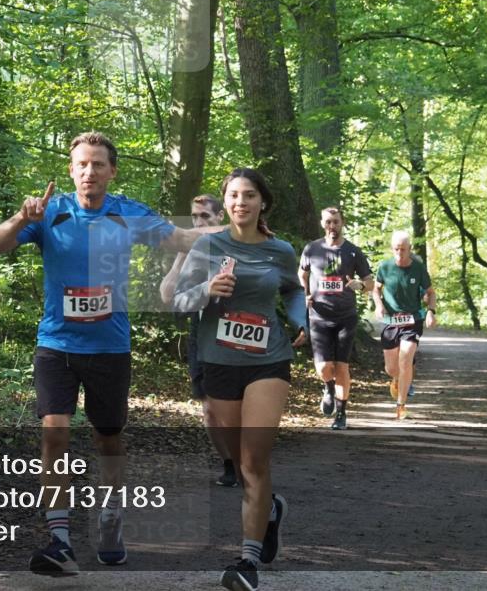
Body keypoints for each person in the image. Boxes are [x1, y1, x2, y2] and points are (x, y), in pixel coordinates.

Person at [0, 131, 207, 575]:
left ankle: (110, 518)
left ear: (111, 171)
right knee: (55, 434)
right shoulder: (50, 212)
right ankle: (60, 540)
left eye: (98, 164)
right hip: (56, 344)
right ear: (72, 170)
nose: (89, 172)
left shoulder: (128, 213)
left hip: (109, 346)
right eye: (82, 164)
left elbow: (183, 239)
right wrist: (19, 217)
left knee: (108, 439)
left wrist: (241, 231)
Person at [172, 168, 307, 591]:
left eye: (249, 195)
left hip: (268, 359)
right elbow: (178, 301)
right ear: (225, 202)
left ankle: (247, 561)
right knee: (234, 455)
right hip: (219, 360)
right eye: (233, 195)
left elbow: (293, 290)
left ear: (262, 202)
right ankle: (269, 511)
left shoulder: (281, 250)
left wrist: (302, 320)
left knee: (253, 460)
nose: (241, 202)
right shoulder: (208, 246)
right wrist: (208, 289)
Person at [159, 194, 237, 486]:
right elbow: (167, 295)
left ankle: (247, 458)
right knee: (209, 408)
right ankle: (230, 464)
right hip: (202, 332)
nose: (198, 222)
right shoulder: (194, 250)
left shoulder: (232, 239)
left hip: (235, 331)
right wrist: (182, 250)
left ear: (220, 217)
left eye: (205, 216)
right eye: (194, 217)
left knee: (234, 407)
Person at [298, 207, 374, 430]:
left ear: (343, 223)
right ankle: (328, 388)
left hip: (346, 317)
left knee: (342, 367)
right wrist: (305, 294)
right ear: (323, 224)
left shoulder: (352, 252)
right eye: (328, 222)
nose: (332, 226)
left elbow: (370, 282)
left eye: (336, 222)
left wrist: (359, 285)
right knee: (323, 368)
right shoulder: (312, 249)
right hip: (319, 316)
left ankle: (341, 414)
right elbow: (302, 273)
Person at [372, 230, 437, 420]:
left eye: (403, 249)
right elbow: (376, 289)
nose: (400, 253)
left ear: (409, 249)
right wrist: (379, 305)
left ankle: (401, 404)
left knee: (406, 358)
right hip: (390, 321)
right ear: (392, 249)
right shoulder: (384, 267)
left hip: (413, 320)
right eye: (396, 249)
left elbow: (431, 292)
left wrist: (431, 312)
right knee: (392, 369)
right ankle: (398, 378)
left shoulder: (418, 268)